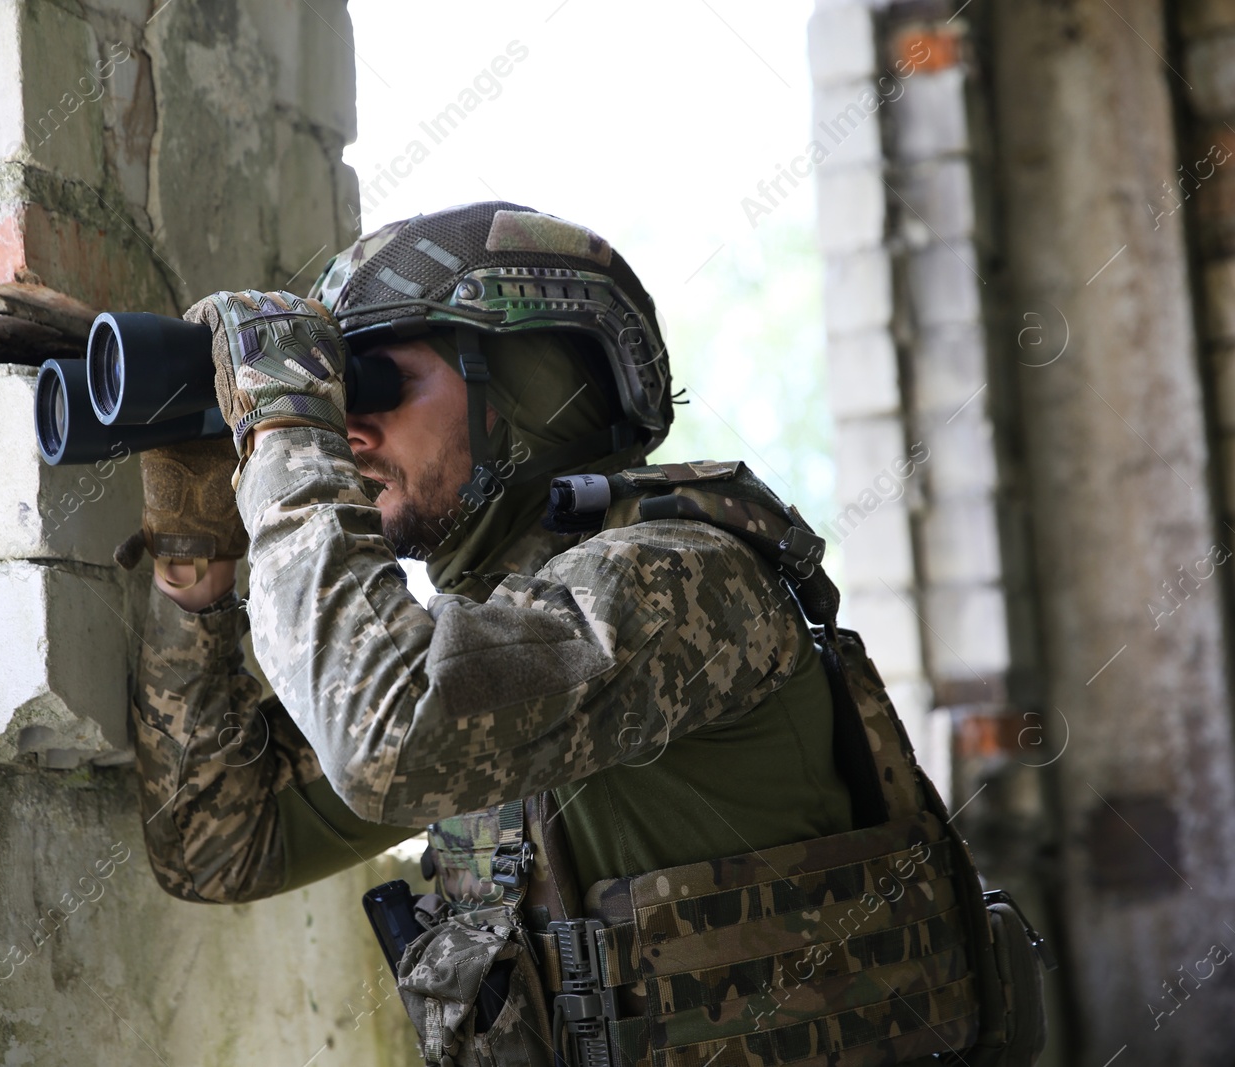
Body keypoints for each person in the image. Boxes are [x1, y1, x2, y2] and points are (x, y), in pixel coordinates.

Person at [121, 202, 986, 1066]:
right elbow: (219, 846)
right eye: (337, 397)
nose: (348, 429)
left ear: (530, 388)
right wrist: (193, 561)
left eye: (376, 383)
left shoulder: (686, 582)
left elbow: (385, 738)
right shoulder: (486, 652)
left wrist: (283, 430)